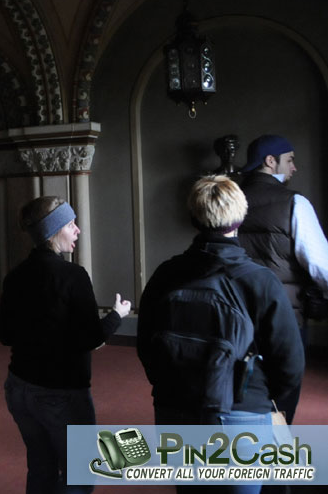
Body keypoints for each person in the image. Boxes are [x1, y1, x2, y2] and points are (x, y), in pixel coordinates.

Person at [137, 176, 304, 494]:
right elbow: (290, 364)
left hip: (175, 412)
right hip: (241, 415)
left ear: (193, 219)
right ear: (241, 218)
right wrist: (270, 410)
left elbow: (146, 348)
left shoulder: (166, 274)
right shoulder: (260, 281)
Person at [0, 196, 130, 494]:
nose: (78, 231)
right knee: (79, 475)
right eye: (70, 224)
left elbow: (5, 334)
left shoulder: (15, 276)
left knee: (41, 468)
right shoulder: (72, 276)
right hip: (61, 392)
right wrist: (117, 316)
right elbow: (90, 338)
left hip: (19, 388)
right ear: (52, 231)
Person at [237, 134, 328, 425]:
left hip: (235, 313)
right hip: (283, 315)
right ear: (270, 161)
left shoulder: (230, 199)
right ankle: (274, 456)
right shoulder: (294, 203)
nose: (294, 167)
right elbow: (319, 264)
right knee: (282, 394)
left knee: (240, 391)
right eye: (289, 160)